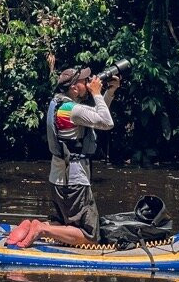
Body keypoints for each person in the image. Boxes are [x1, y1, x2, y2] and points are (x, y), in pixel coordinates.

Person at [7, 66, 119, 248]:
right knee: (90, 236)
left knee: (67, 226)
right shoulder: (73, 110)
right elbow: (106, 122)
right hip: (74, 181)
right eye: (84, 81)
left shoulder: (60, 106)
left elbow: (97, 118)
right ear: (74, 88)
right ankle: (40, 228)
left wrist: (109, 92)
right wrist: (97, 93)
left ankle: (35, 226)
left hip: (58, 178)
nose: (89, 83)